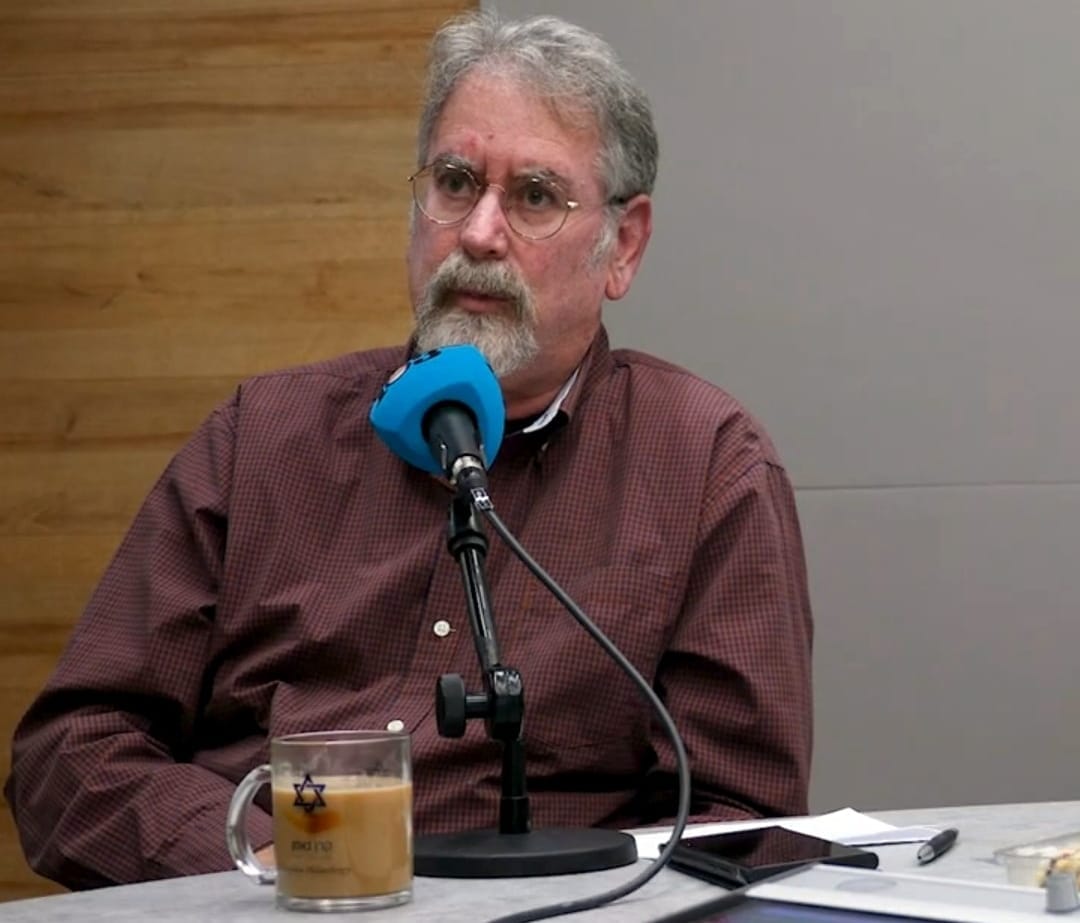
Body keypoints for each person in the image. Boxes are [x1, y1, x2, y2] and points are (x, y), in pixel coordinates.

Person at [5, 11, 813, 889]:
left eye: (536, 196)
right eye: (457, 182)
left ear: (623, 244)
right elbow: (68, 756)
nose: (478, 234)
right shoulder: (261, 438)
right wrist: (274, 861)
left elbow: (742, 822)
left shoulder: (705, 469)